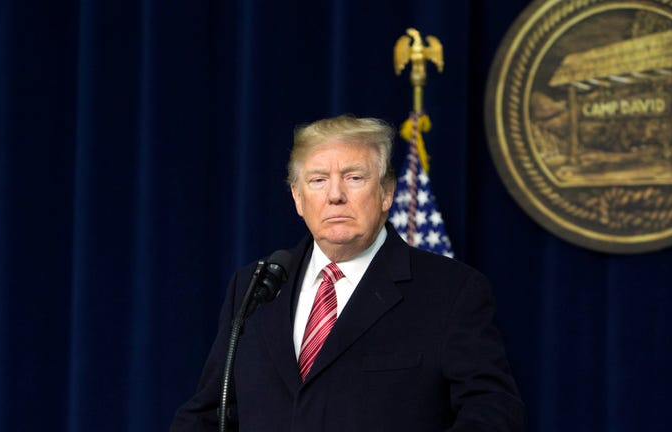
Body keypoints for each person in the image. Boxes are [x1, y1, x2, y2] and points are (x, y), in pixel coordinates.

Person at [170, 115, 525, 431]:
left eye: (354, 177)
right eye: (318, 180)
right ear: (297, 197)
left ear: (386, 193)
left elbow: (493, 411)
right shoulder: (255, 286)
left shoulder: (452, 291)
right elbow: (209, 412)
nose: (335, 195)